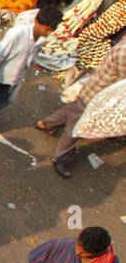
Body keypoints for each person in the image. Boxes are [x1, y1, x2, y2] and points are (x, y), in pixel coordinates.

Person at [38, 34, 126, 178]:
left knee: (73, 111)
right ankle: (60, 157)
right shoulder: (124, 52)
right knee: (76, 127)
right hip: (97, 94)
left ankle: (46, 124)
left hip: (95, 88)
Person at [0, 4, 60, 139]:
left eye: (51, 30)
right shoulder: (16, 34)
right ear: (37, 21)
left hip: (13, 80)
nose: (48, 33)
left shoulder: (41, 39)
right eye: (46, 29)